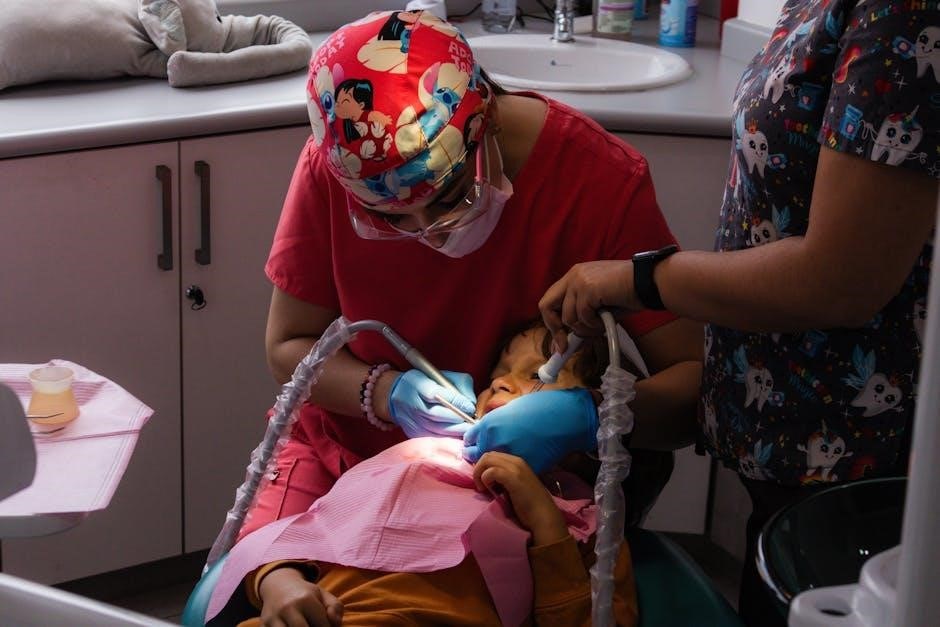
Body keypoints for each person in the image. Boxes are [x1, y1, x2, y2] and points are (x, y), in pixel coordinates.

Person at [526, 1, 938, 625]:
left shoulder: (904, 15)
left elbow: (842, 279)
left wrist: (643, 280)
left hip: (856, 453)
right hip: (787, 443)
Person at [246, 9, 702, 540]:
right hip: (342, 458)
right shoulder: (342, 162)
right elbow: (288, 346)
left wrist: (590, 416)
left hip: (510, 493)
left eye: (450, 199)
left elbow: (694, 384)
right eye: (392, 219)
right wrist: (384, 392)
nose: (431, 234)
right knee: (261, 579)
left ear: (489, 122)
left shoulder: (598, 180)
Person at [212, 324, 637, 627]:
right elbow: (314, 528)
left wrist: (544, 520)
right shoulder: (412, 460)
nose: (502, 382)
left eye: (536, 375)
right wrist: (278, 579)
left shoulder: (586, 521)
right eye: (498, 372)